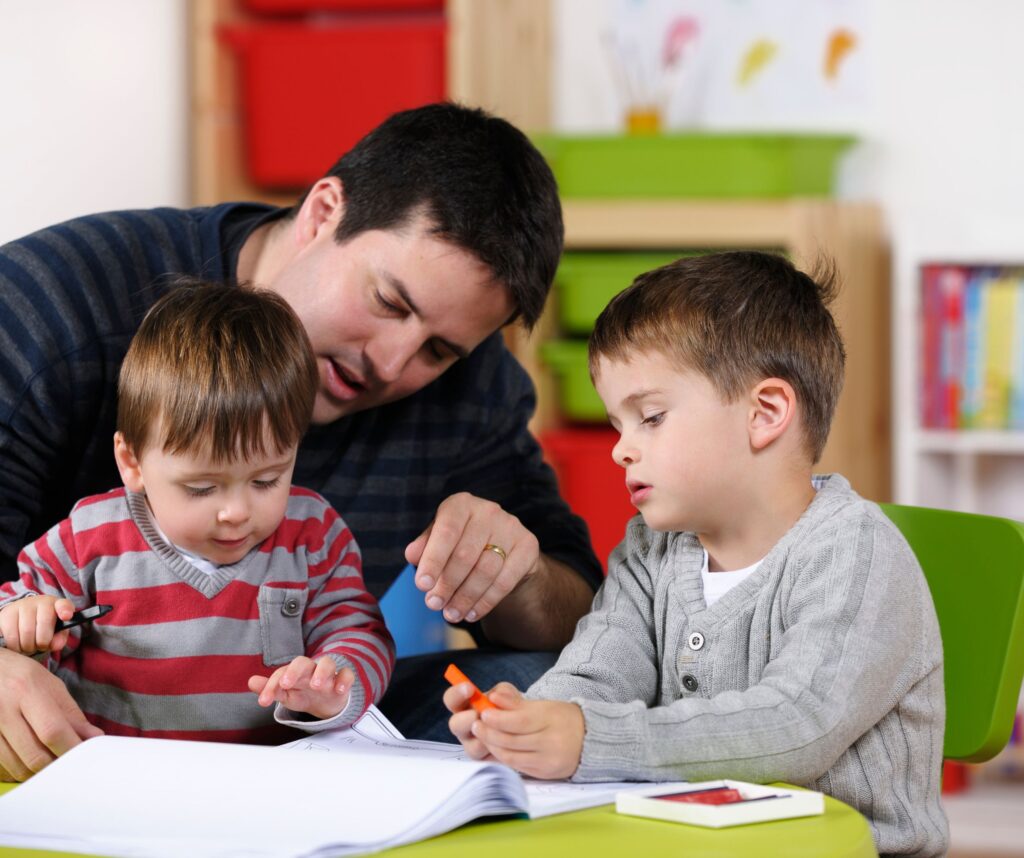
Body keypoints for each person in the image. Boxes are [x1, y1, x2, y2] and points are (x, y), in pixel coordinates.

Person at [0, 102, 603, 772]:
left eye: (437, 349)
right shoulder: (47, 313)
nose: (392, 363)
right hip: (85, 735)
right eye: (389, 302)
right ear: (322, 214)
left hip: (298, 736)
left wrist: (511, 575)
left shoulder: (470, 386)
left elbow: (580, 613)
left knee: (554, 682)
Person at [445, 251, 949, 857]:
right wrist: (527, 722)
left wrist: (589, 739)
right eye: (616, 426)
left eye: (650, 418)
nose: (621, 451)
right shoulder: (651, 550)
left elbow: (795, 726)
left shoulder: (856, 553)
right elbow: (597, 673)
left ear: (765, 414)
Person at [0, 281, 394, 759]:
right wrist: (24, 622)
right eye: (202, 488)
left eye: (267, 479)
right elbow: (17, 606)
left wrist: (335, 682)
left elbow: (359, 631)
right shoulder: (90, 538)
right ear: (133, 463)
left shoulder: (313, 536)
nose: (236, 512)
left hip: (269, 786)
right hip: (117, 780)